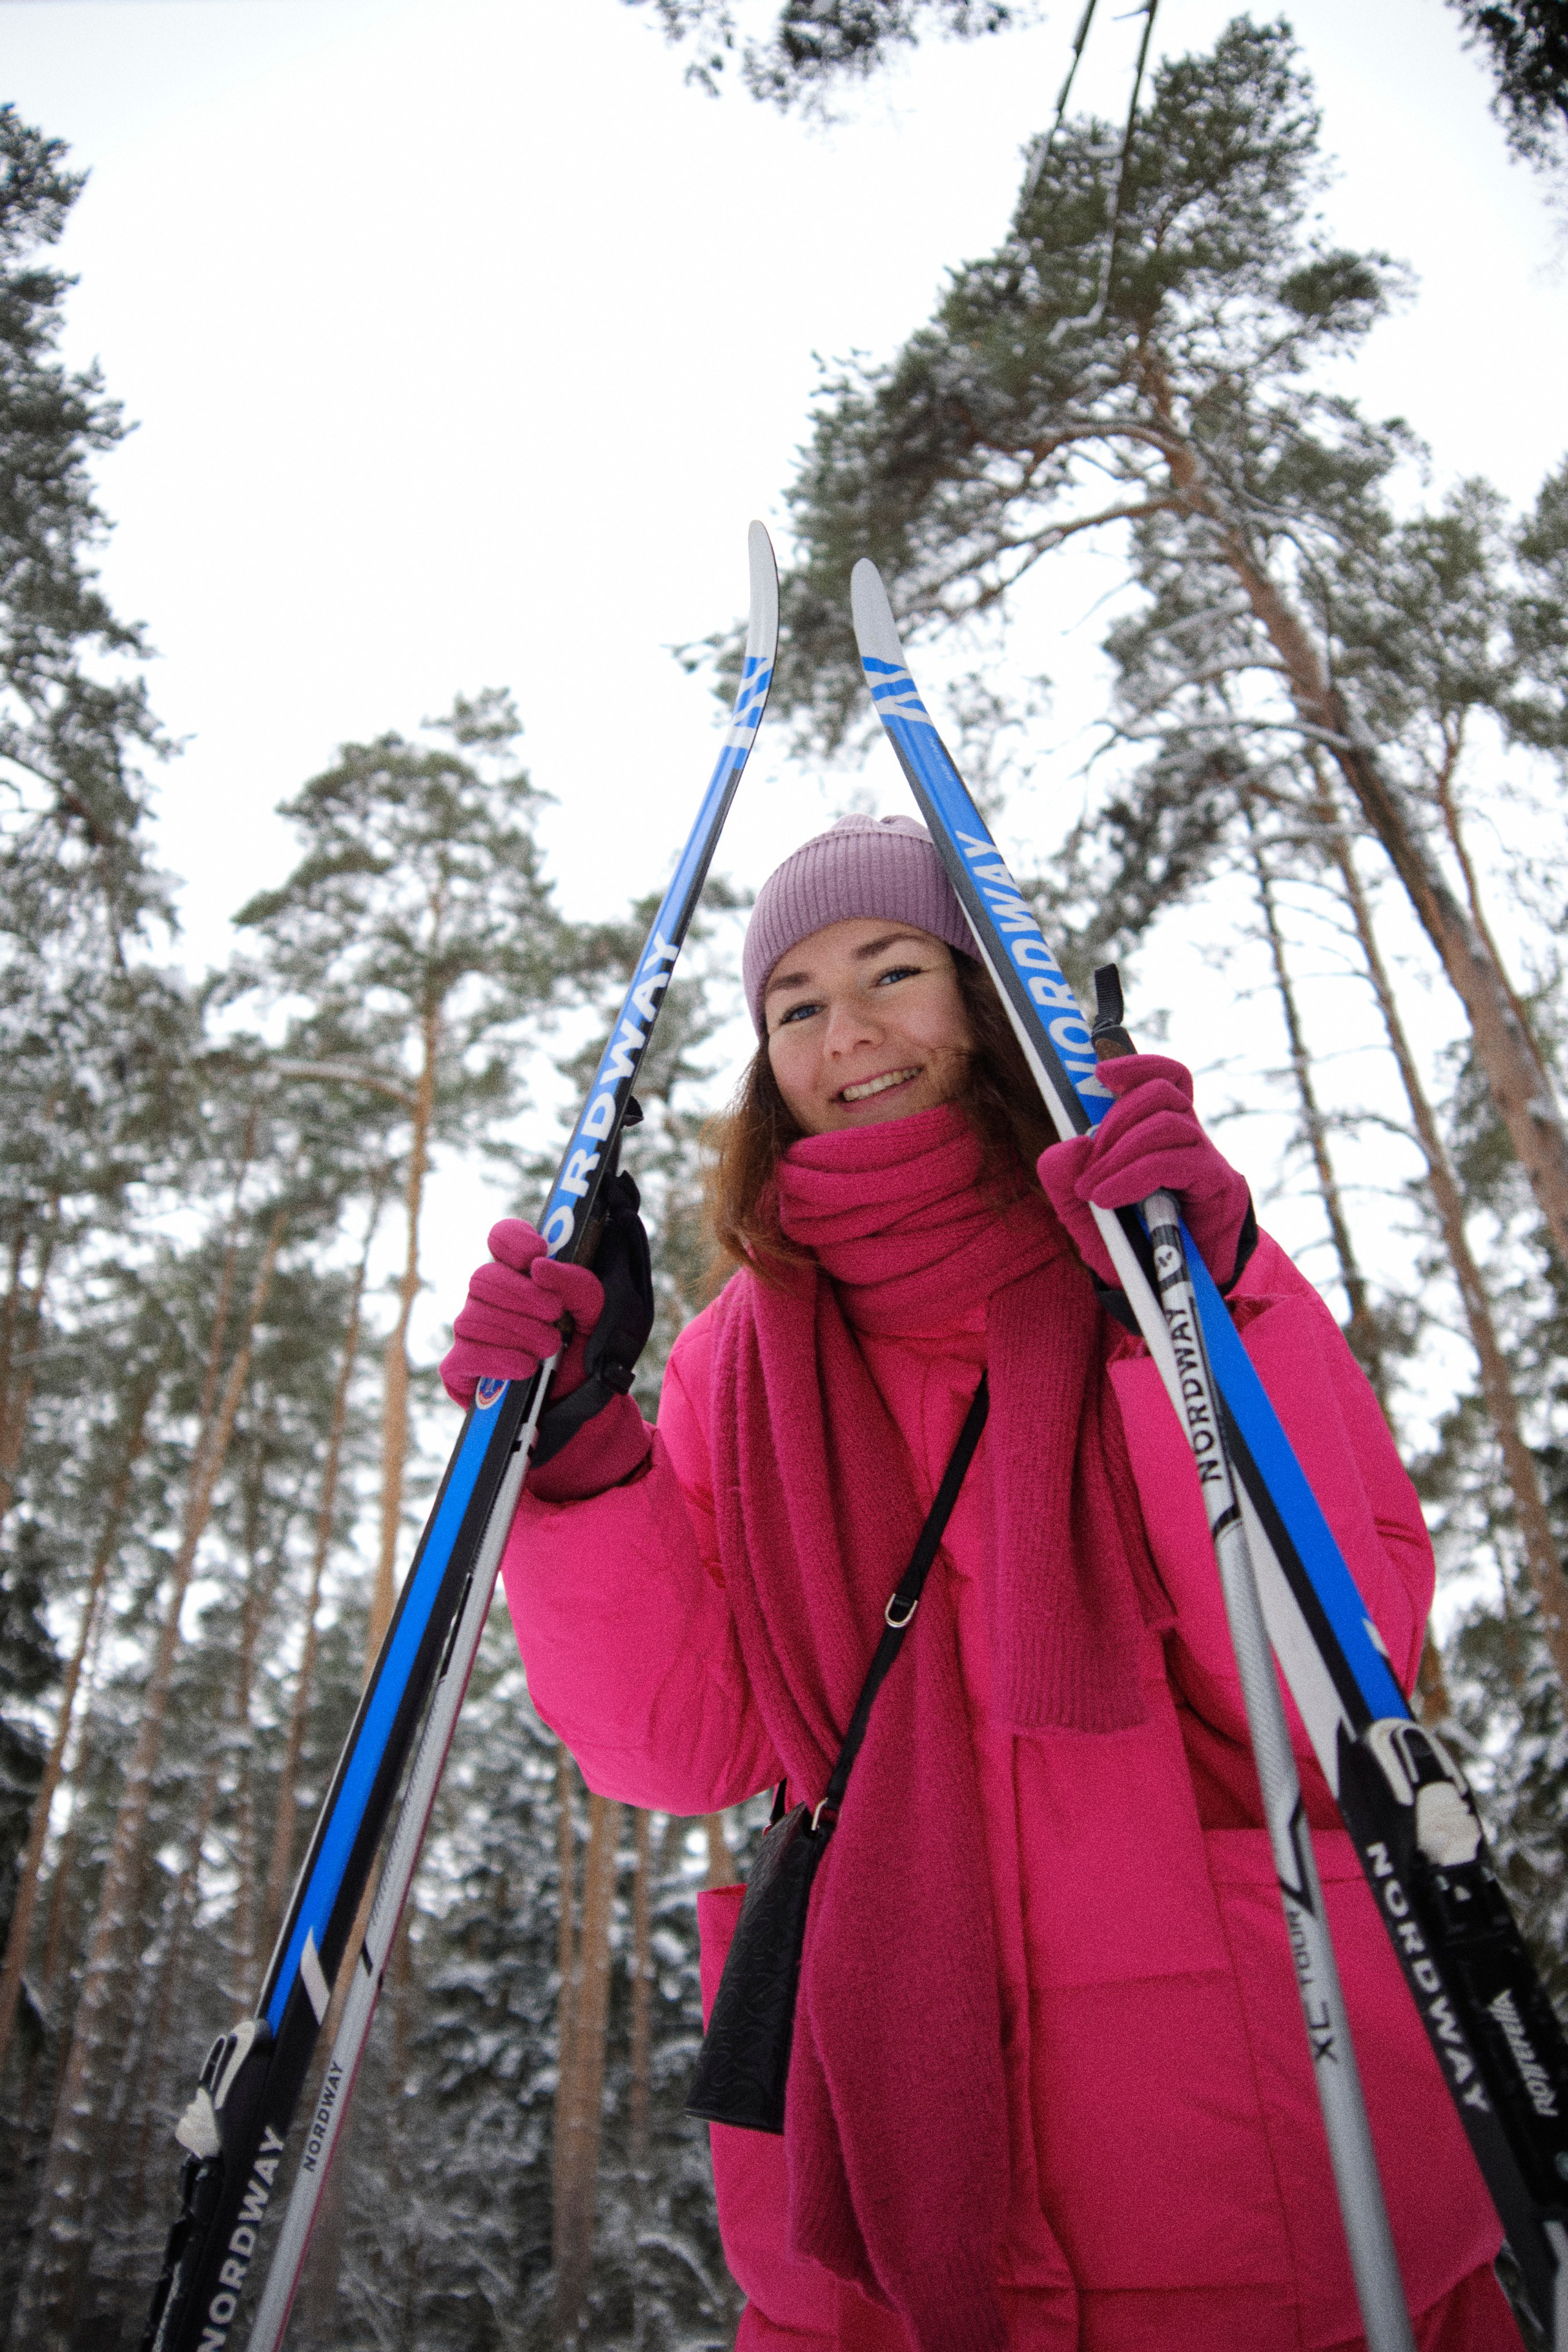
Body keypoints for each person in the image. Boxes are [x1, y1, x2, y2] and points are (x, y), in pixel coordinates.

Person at [442, 814, 1514, 2352]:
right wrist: (578, 1459)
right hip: (873, 2140)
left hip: (1262, 2117)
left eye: (892, 971)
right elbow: (683, 1744)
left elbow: (1318, 1666)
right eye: (795, 1004)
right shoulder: (733, 1359)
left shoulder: (1160, 1254)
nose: (847, 1030)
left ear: (985, 1001)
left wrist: (1181, 1318)